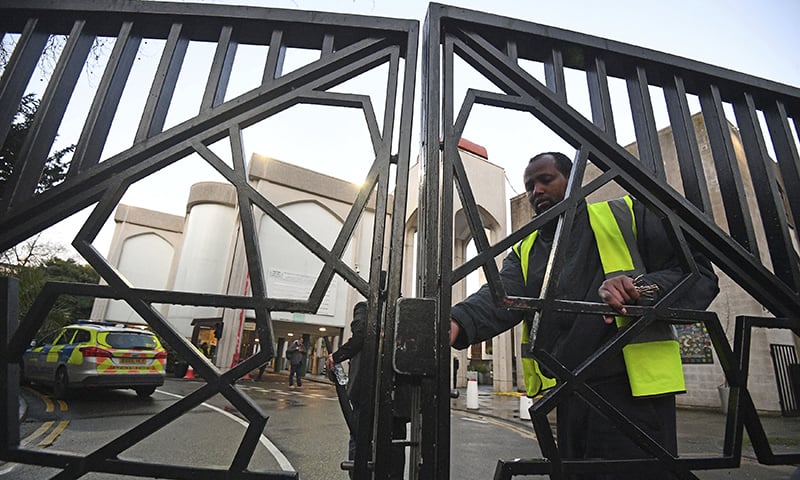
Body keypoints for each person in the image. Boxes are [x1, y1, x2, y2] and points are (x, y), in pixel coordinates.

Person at [449, 152, 719, 480]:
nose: (536, 191)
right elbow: (498, 297)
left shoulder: (625, 215)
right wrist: (456, 321)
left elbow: (697, 274)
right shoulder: (526, 248)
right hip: (568, 394)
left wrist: (640, 289)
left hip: (631, 395)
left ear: (573, 179)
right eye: (529, 185)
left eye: (546, 180)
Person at [327, 301, 406, 479]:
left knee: (360, 437)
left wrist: (337, 356)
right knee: (395, 443)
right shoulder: (403, 308)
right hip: (396, 390)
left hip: (365, 389)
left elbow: (362, 335)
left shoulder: (364, 307)